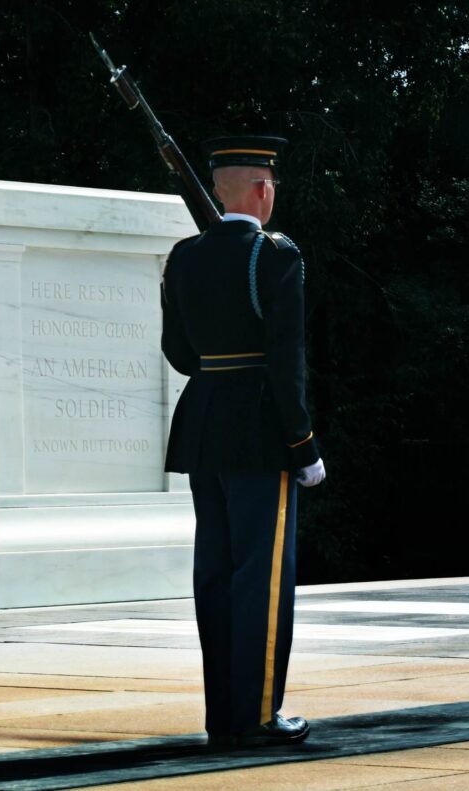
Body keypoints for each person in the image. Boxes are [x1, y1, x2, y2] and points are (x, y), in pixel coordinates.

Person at [161, 135, 326, 749]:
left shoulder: (183, 256)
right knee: (261, 576)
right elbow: (286, 364)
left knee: (216, 572)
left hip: (204, 423)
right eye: (272, 184)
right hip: (259, 429)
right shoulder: (274, 256)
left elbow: (180, 354)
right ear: (262, 187)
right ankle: (257, 717)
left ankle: (223, 717)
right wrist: (304, 445)